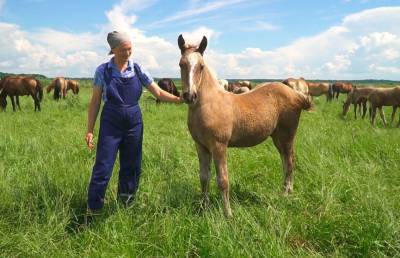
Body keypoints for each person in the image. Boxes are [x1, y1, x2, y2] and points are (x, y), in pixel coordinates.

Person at [85, 31, 182, 213]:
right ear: (113, 50)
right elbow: (95, 101)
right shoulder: (102, 71)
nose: (128, 53)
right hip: (110, 122)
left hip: (134, 123)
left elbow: (158, 93)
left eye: (130, 49)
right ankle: (93, 209)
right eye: (123, 50)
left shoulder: (137, 69)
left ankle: (126, 205)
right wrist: (90, 130)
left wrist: (179, 99)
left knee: (132, 165)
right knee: (103, 166)